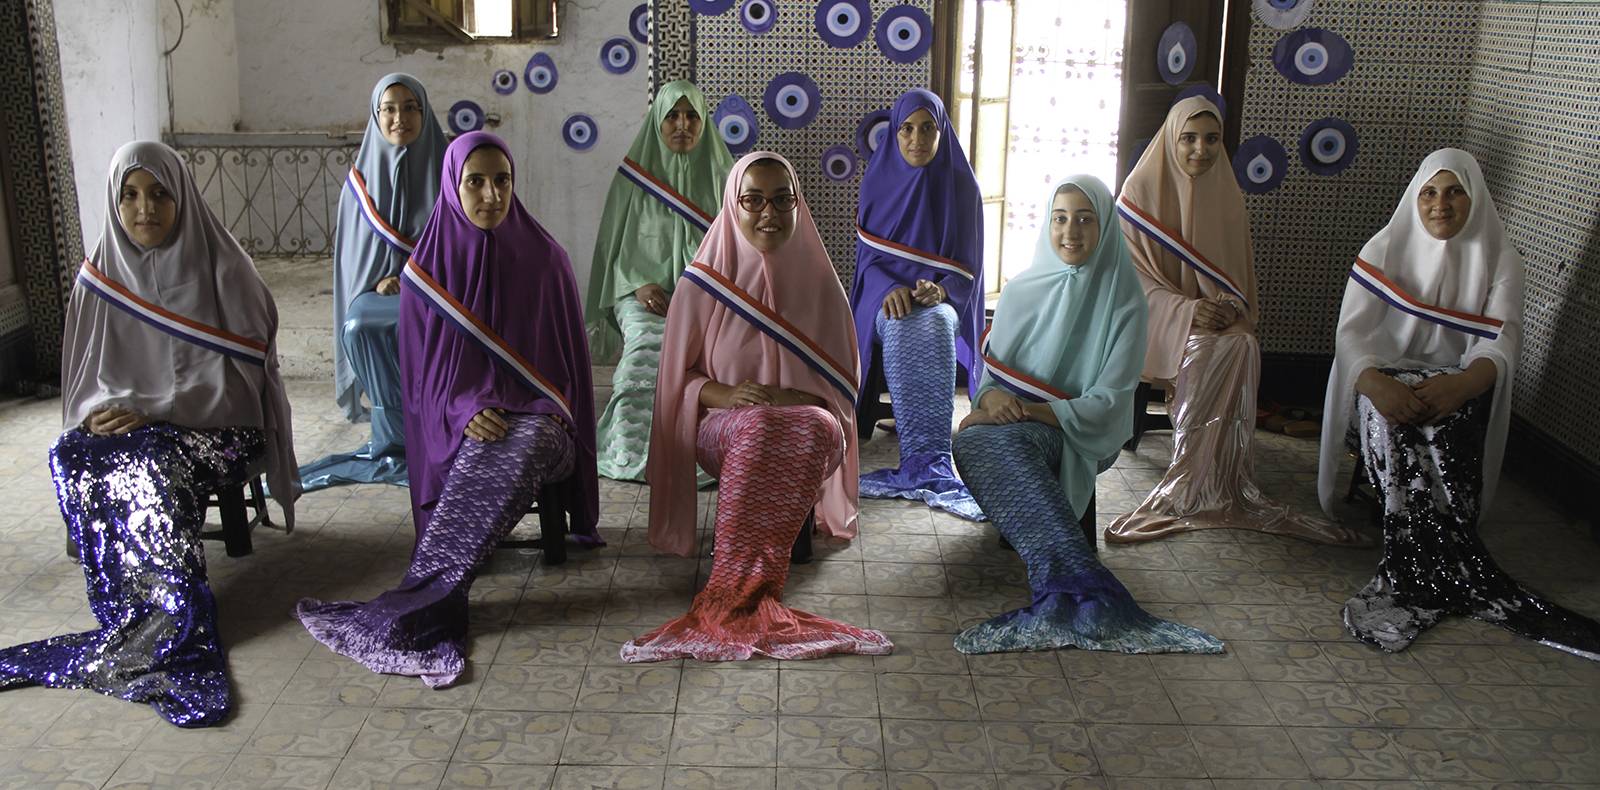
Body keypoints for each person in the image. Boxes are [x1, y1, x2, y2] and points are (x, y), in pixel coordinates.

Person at [0, 141, 299, 726]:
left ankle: (171, 617)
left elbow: (245, 387)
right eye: (130, 196)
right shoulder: (99, 278)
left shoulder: (224, 269)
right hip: (138, 427)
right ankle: (125, 606)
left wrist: (157, 409)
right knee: (76, 452)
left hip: (219, 428)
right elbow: (84, 380)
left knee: (152, 459)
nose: (146, 209)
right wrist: (95, 413)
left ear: (181, 196)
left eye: (160, 193)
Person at [297, 132, 600, 687]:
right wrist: (464, 409)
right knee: (488, 440)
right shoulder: (426, 274)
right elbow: (422, 385)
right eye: (475, 182)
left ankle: (433, 590)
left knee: (522, 440)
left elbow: (567, 376)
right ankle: (437, 586)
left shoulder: (547, 261)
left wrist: (518, 403)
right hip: (465, 423)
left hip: (540, 422)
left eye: (501, 181)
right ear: (452, 185)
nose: (490, 195)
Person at [1319, 148, 1600, 659]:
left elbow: (1502, 343)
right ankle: (1413, 555)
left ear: (1474, 198)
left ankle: (1445, 553)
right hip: (1385, 379)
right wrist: (1378, 385)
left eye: (1453, 193)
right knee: (1393, 423)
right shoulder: (1383, 249)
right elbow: (1352, 336)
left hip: (1458, 381)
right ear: (1414, 198)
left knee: (1447, 427)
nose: (1440, 205)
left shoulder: (1500, 257)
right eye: (1429, 193)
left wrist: (1462, 385)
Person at [622, 153, 892, 662]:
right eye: (753, 200)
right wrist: (725, 395)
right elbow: (674, 384)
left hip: (808, 429)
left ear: (797, 205)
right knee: (760, 428)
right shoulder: (702, 283)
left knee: (803, 425)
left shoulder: (820, 283)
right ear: (733, 205)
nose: (769, 212)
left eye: (782, 199)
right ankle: (738, 589)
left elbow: (840, 395)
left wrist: (790, 399)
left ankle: (745, 588)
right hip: (723, 427)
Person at [951, 175, 1222, 655]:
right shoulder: (1021, 291)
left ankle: (1069, 582)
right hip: (1018, 422)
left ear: (1105, 227)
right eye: (1059, 219)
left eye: (1084, 219)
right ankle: (1072, 571)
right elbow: (992, 381)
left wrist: (1029, 410)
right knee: (973, 440)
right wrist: (993, 402)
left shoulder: (1124, 300)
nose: (1069, 232)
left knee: (1006, 441)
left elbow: (1110, 403)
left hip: (1079, 433)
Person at [1107, 96, 1363, 545]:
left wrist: (1224, 306)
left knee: (1240, 341)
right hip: (1157, 319)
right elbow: (1126, 285)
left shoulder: (1225, 196)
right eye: (1188, 138)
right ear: (1171, 139)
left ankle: (1224, 474)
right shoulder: (1136, 194)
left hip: (1212, 316)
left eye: (1211, 139)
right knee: (1205, 346)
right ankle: (1190, 475)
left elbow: (1236, 278)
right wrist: (1187, 311)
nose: (1200, 150)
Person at [298, 73, 445, 491]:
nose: (401, 118)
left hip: (443, 288)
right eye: (390, 109)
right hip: (383, 293)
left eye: (411, 108)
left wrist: (417, 276)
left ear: (425, 111)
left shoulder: (452, 168)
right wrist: (382, 277)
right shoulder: (360, 183)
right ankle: (396, 435)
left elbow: (461, 240)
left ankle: (442, 426)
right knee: (364, 326)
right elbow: (355, 257)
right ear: (376, 116)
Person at [587, 81, 732, 484]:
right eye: (672, 116)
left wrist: (703, 292)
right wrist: (636, 284)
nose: (682, 125)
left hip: (708, 298)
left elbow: (741, 253)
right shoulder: (633, 178)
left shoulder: (728, 181)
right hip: (645, 295)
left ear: (704, 122)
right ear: (657, 122)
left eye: (691, 116)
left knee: (717, 353)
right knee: (648, 349)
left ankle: (704, 448)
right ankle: (630, 449)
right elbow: (611, 250)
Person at [851, 89, 984, 520]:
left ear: (943, 132)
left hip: (940, 300)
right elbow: (867, 261)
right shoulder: (878, 179)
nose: (917, 139)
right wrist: (888, 287)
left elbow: (969, 265)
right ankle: (919, 457)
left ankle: (928, 459)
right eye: (907, 128)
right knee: (901, 320)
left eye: (928, 128)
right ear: (895, 132)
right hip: (884, 296)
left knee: (931, 323)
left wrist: (941, 290)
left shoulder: (963, 187)